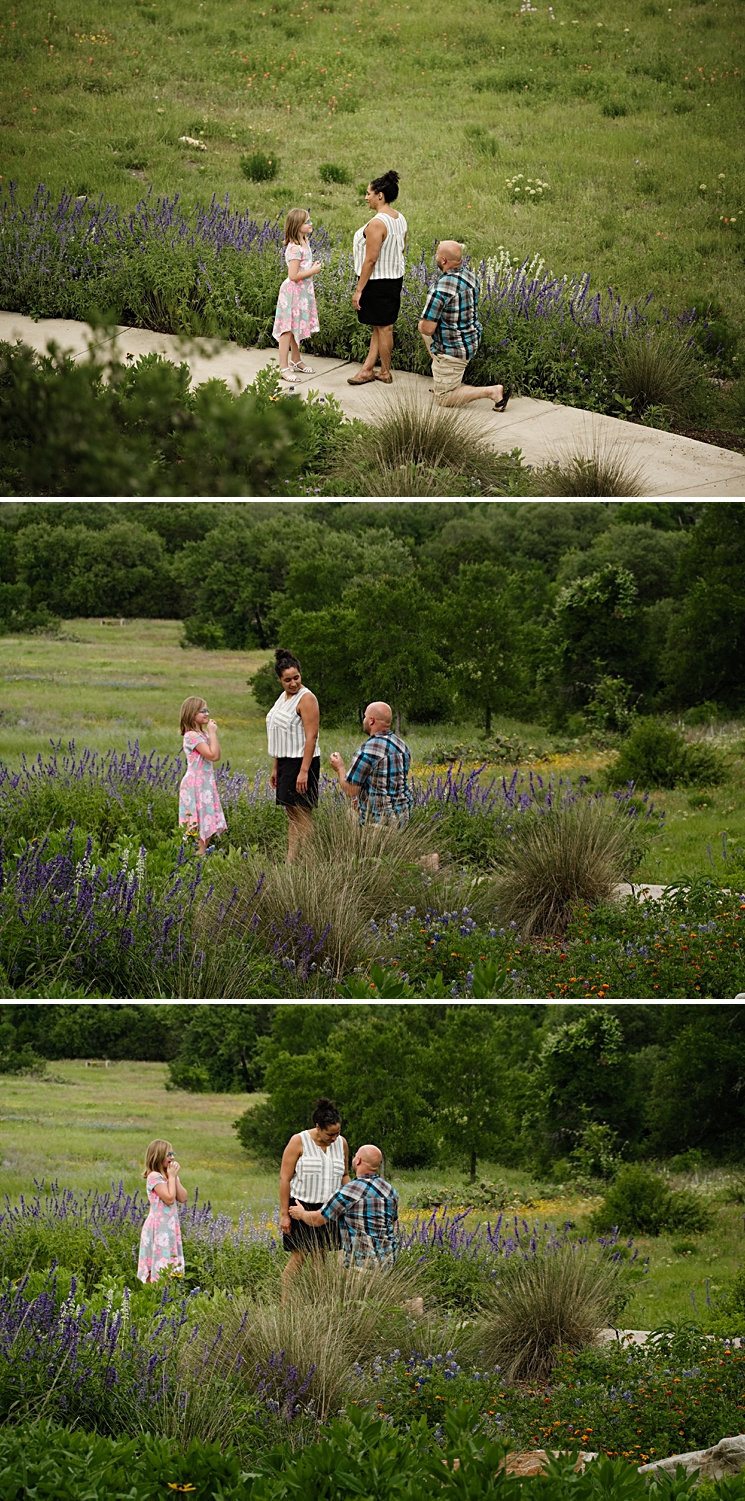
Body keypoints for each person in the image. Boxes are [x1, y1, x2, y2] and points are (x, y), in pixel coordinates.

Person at [417, 240, 511, 410]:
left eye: (437, 254)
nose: (435, 257)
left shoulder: (439, 289)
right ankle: (442, 376)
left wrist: (422, 325)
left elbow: (429, 328)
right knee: (424, 328)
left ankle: (492, 392)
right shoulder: (471, 277)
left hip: (454, 350)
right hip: (471, 338)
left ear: (443, 260)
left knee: (444, 398)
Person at [279, 1097, 350, 1296]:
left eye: (337, 1132)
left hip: (329, 1208)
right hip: (301, 1206)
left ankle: (317, 1302)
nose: (334, 1137)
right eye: (330, 1134)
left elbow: (344, 1175)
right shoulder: (298, 1141)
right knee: (299, 1256)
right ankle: (286, 1304)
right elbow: (284, 1179)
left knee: (320, 1258)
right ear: (318, 1127)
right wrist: (284, 1214)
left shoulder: (341, 1143)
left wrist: (352, 1196)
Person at [289, 1143, 399, 1270]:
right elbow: (392, 1223)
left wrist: (301, 1213)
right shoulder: (391, 1191)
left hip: (360, 1265)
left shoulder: (349, 1191)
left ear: (358, 1161)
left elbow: (318, 1219)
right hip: (388, 1263)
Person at [348, 170, 407, 386]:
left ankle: (384, 371)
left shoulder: (376, 224)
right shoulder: (400, 219)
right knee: (380, 326)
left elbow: (370, 260)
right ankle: (367, 369)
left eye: (368, 193)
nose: (366, 197)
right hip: (393, 279)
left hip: (377, 281)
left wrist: (359, 289)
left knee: (384, 328)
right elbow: (401, 248)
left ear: (380, 195)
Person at [266, 648, 321, 862]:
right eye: (287, 679)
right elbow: (278, 733)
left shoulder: (306, 699)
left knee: (302, 814)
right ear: (280, 680)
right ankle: (291, 861)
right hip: (285, 761)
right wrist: (275, 767)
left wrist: (304, 771)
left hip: (302, 762)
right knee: (292, 815)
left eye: (296, 678)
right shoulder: (283, 697)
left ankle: (309, 861)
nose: (293, 683)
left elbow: (312, 736)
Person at [329, 701, 412, 826]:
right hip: (403, 818)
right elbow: (389, 784)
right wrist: (362, 800)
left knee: (349, 817)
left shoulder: (368, 750)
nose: (364, 720)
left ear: (371, 720)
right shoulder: (402, 747)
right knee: (352, 811)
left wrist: (340, 768)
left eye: (365, 716)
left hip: (379, 822)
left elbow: (350, 790)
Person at [272, 207, 322, 383]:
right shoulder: (294, 249)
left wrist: (310, 267)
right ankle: (283, 367)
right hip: (292, 294)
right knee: (287, 329)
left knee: (296, 328)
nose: (311, 224)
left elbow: (302, 268)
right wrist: (313, 270)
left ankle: (296, 359)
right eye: (307, 222)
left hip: (302, 293)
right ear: (297, 225)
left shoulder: (304, 241)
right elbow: (293, 276)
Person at [179, 696, 227, 855]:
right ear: (192, 714)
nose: (207, 713)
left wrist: (211, 734)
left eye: (207, 710)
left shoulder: (202, 734)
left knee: (207, 822)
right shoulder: (191, 736)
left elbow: (217, 754)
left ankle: (200, 857)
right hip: (196, 785)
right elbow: (212, 755)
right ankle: (197, 859)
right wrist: (212, 733)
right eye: (203, 711)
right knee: (198, 825)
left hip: (205, 783)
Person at [137, 1138, 187, 1283]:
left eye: (172, 1154)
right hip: (158, 1228)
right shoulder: (154, 1177)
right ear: (158, 1157)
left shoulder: (169, 1176)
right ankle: (152, 1295)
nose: (172, 1158)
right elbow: (169, 1199)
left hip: (170, 1228)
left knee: (168, 1264)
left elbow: (182, 1197)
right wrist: (170, 1177)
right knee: (156, 1264)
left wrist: (174, 1177)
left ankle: (165, 1295)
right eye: (168, 1155)